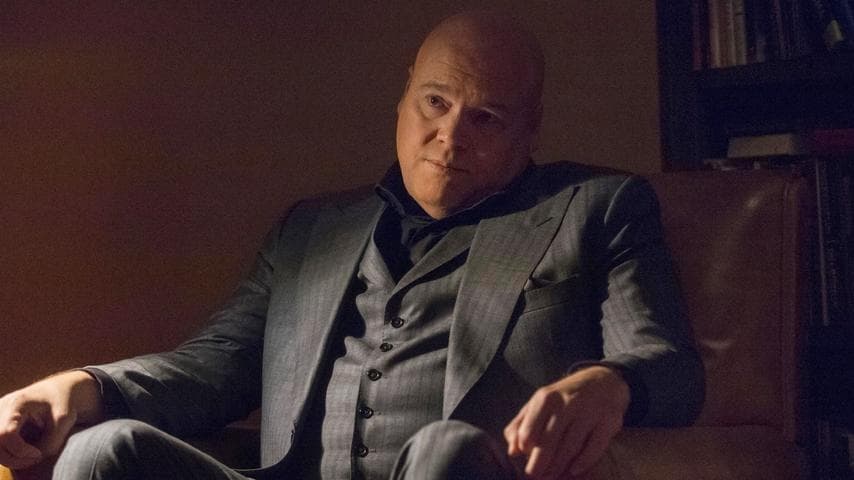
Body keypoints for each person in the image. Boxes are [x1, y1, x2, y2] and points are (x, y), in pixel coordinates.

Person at [0, 10, 704, 480]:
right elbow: (214, 367)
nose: (450, 138)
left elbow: (670, 363)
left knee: (446, 449)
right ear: (404, 97)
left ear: (530, 129)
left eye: (486, 118)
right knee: (102, 451)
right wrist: (82, 387)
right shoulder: (312, 229)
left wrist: (610, 383)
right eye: (436, 103)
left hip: (458, 470)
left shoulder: (596, 207)